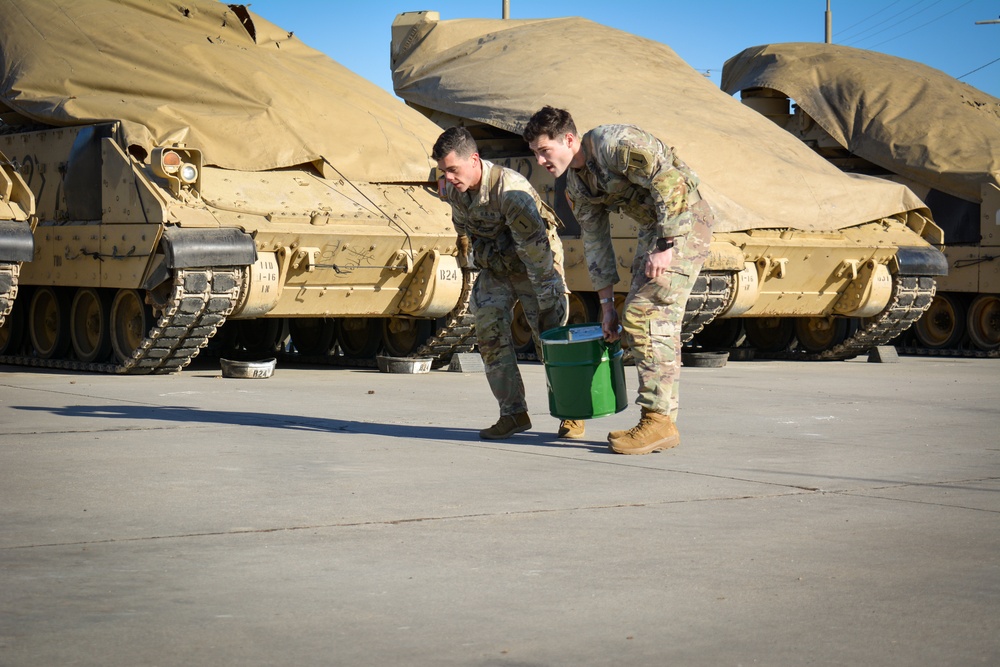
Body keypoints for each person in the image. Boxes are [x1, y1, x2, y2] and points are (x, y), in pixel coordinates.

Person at [523, 107, 714, 455]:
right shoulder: (577, 187)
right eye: (535, 153)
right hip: (653, 230)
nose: (540, 161)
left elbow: (668, 180)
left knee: (643, 315)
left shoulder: (616, 144)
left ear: (568, 139)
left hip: (685, 221)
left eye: (544, 150)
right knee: (651, 321)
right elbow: (595, 244)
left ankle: (658, 421)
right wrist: (607, 307)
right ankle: (663, 421)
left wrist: (667, 243)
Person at [432, 126, 585, 440]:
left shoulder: (509, 190)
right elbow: (463, 230)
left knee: (550, 339)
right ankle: (513, 413)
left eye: (452, 169)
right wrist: (474, 261)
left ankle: (573, 414)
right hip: (499, 265)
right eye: (443, 171)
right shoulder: (453, 189)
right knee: (489, 335)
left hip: (535, 265)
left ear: (474, 160)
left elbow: (538, 253)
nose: (448, 177)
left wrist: (547, 303)